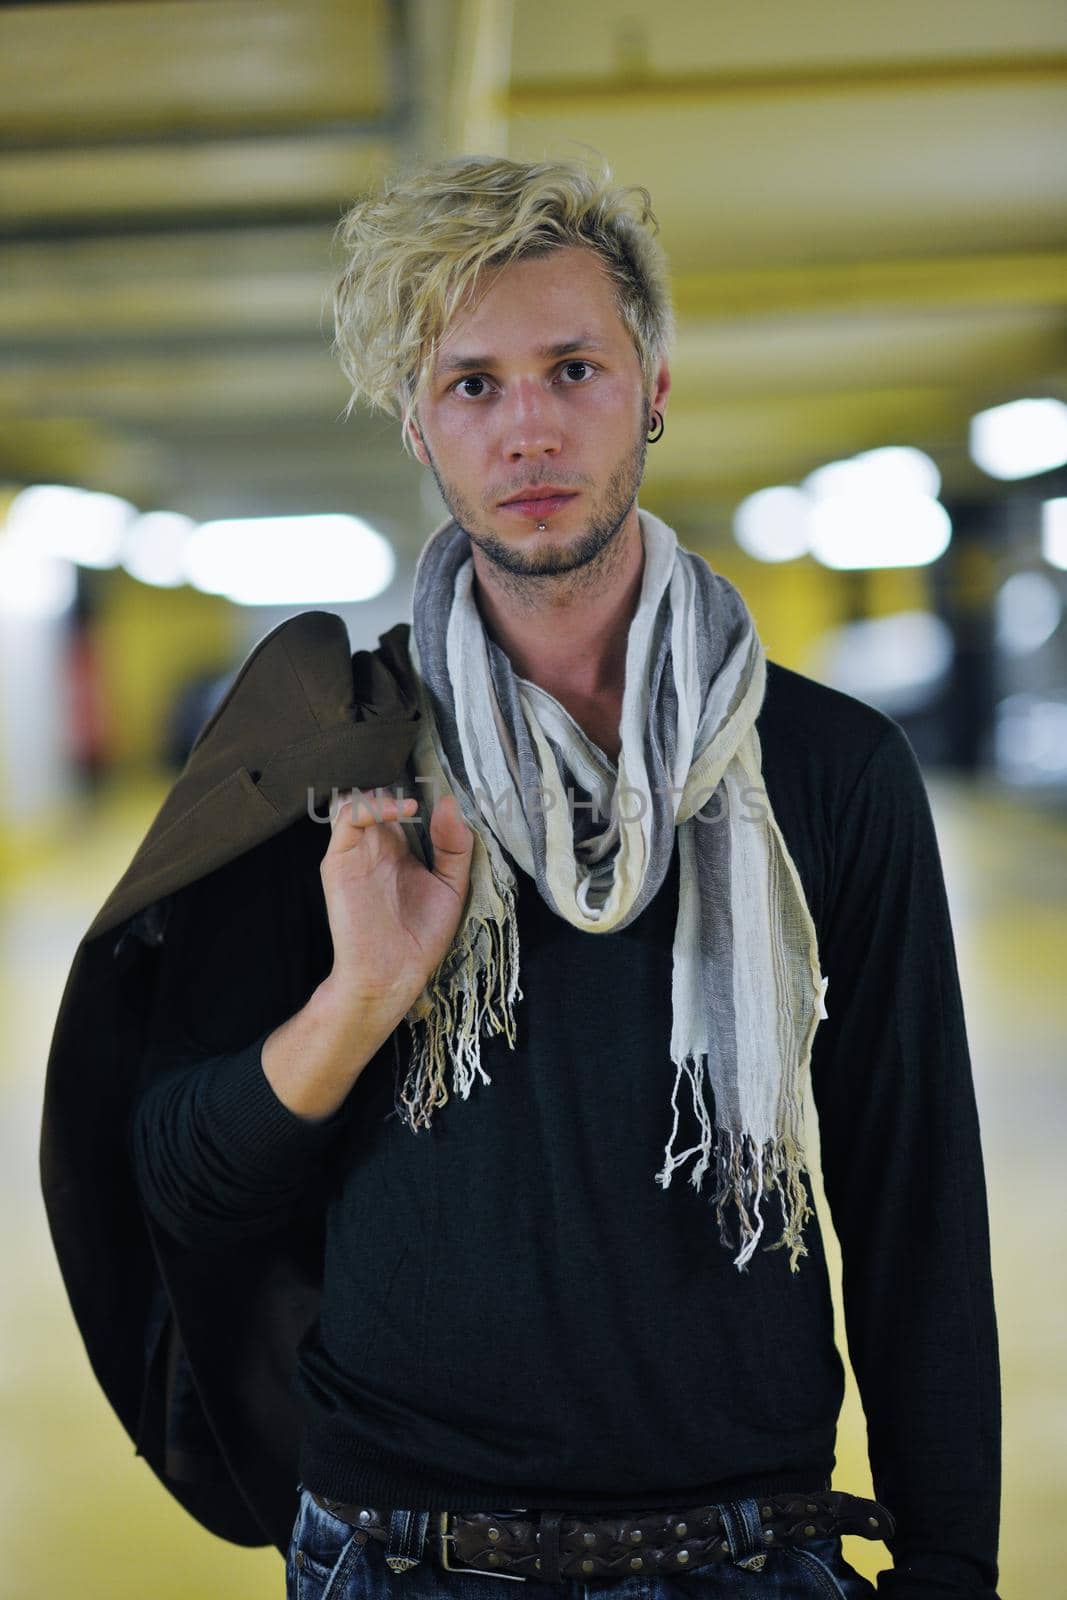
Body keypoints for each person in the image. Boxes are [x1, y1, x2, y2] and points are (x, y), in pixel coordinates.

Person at [40, 156, 1001, 1600]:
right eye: (474, 385)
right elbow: (183, 1175)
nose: (530, 427)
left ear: (655, 387)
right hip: (399, 1553)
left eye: (573, 368)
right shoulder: (332, 751)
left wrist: (948, 1565)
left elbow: (915, 1201)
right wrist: (362, 998)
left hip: (749, 1551)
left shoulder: (826, 766)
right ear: (419, 425)